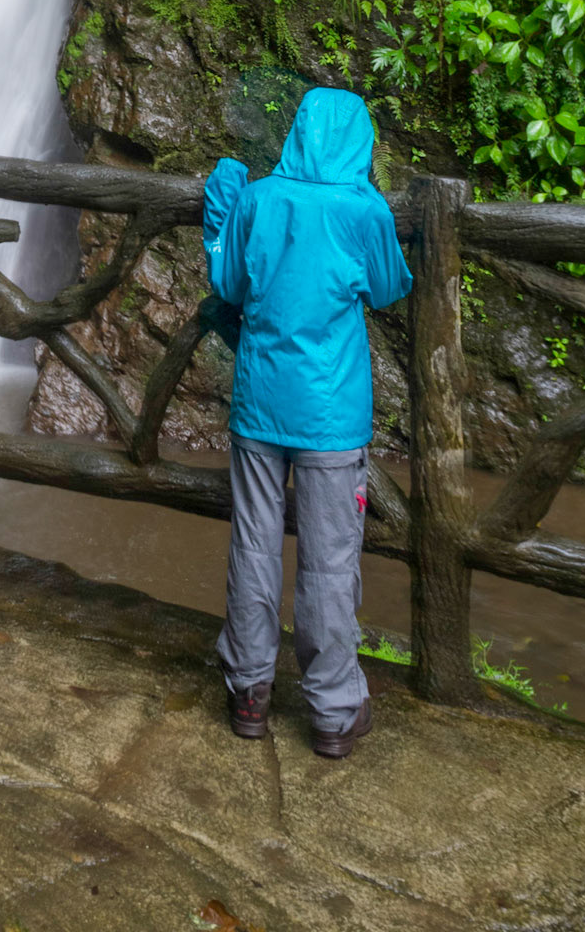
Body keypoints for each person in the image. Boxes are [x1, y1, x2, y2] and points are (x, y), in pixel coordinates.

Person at [202, 86, 412, 760]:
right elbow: (387, 287)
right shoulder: (362, 209)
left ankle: (249, 693)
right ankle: (330, 712)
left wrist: (224, 203)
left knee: (253, 548)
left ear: (295, 132)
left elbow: (229, 284)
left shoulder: (258, 201)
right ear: (358, 142)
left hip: (260, 403)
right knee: (328, 563)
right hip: (330, 415)